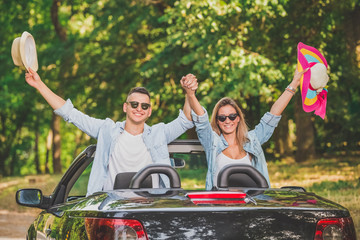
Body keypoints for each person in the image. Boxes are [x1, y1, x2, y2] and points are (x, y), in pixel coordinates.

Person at [25, 67, 198, 195]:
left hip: (149, 207)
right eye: (134, 104)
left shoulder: (159, 133)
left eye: (144, 105)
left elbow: (186, 121)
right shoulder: (107, 130)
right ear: (125, 107)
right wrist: (39, 85)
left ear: (149, 111)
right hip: (111, 207)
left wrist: (189, 94)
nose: (139, 108)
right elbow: (70, 114)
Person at [181, 69, 308, 190]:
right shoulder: (212, 142)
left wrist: (295, 83)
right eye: (222, 117)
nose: (227, 121)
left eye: (232, 116)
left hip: (250, 207)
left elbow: (273, 115)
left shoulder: (252, 140)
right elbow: (202, 121)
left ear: (238, 118)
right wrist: (191, 94)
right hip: (220, 207)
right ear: (217, 121)